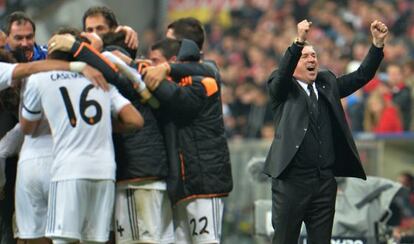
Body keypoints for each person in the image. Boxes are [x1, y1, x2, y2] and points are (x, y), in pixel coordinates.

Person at [264, 19, 388, 243]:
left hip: (324, 182)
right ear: (293, 63)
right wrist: (298, 42)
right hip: (292, 180)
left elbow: (361, 76)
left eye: (314, 56)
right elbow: (282, 76)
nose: (312, 59)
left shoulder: (327, 83)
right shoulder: (283, 87)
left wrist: (377, 46)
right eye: (305, 56)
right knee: (284, 239)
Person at [19, 35, 143, 243]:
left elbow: (28, 127)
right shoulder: (100, 80)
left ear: (50, 56)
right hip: (104, 172)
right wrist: (104, 126)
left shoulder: (39, 79)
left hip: (68, 170)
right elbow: (135, 120)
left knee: (63, 239)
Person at [143, 38, 233, 244]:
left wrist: (149, 73)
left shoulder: (203, 83)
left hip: (203, 184)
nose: (151, 66)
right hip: (183, 185)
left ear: (172, 62)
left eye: (155, 61)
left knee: (206, 241)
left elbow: (180, 100)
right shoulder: (181, 84)